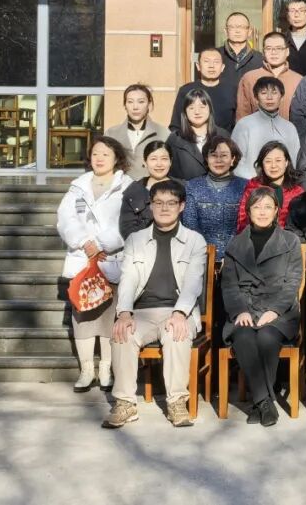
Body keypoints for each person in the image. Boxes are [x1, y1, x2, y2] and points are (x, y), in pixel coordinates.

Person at [104, 180, 208, 429]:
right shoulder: (135, 240)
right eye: (158, 202)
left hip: (178, 310)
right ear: (150, 206)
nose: (164, 208)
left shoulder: (195, 240)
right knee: (123, 332)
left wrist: (180, 313)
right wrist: (124, 313)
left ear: (181, 206)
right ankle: (125, 403)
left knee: (177, 332)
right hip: (142, 311)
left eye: (171, 203)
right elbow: (128, 278)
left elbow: (193, 283)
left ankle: (177, 402)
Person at [57, 135, 134, 392]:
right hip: (83, 259)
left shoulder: (127, 186)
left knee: (109, 316)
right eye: (95, 154)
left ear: (116, 158)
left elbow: (128, 222)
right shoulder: (77, 187)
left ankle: (106, 369)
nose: (99, 158)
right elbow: (65, 219)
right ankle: (87, 369)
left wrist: (101, 243)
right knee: (83, 316)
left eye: (105, 154)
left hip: (111, 257)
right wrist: (84, 242)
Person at [221, 187, 303, 426]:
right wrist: (240, 310)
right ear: (248, 211)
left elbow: (292, 282)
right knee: (244, 336)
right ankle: (265, 402)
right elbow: (229, 284)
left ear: (277, 210)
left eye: (268, 206)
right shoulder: (236, 243)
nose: (263, 212)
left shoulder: (290, 241)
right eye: (257, 207)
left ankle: (260, 403)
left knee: (267, 337)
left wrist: (274, 310)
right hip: (245, 308)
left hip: (280, 311)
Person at [182, 135, 248, 257]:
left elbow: (247, 224)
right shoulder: (192, 186)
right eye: (213, 155)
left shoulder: (245, 187)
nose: (218, 160)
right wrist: (207, 253)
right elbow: (189, 225)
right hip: (201, 254)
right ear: (206, 158)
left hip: (237, 255)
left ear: (233, 159)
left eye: (224, 155)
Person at [231, 76, 302, 179]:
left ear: (282, 97)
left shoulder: (289, 128)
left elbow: (295, 160)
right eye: (264, 93)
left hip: (284, 185)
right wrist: (252, 182)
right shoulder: (244, 125)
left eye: (274, 93)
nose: (269, 97)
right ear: (256, 98)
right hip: (251, 184)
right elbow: (235, 160)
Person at [235, 31, 303, 122]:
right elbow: (242, 114)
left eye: (279, 48)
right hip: (256, 130)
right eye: (269, 48)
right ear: (263, 52)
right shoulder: (249, 78)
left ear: (287, 51)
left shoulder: (299, 80)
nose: (274, 52)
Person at [236, 141, 304, 231]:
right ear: (262, 164)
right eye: (268, 161)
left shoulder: (297, 192)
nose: (273, 165)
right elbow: (242, 221)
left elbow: (302, 225)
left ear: (286, 162)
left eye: (278, 160)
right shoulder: (253, 187)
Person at [105, 83, 168, 179]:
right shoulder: (111, 134)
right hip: (120, 186)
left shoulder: (163, 133)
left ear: (149, 104)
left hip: (152, 185)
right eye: (130, 102)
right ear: (125, 105)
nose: (135, 107)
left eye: (141, 102)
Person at [167, 89, 228, 181]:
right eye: (191, 108)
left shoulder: (223, 135)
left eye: (202, 107)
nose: (197, 112)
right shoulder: (175, 139)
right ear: (185, 112)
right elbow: (171, 175)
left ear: (210, 109)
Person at [171, 47, 236, 132]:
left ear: (222, 67)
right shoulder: (186, 90)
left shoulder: (232, 91)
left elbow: (237, 124)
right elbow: (176, 125)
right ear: (198, 66)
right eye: (206, 61)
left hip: (224, 139)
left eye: (216, 62)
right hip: (191, 139)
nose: (211, 66)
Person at [119, 140, 175, 238]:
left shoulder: (184, 188)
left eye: (164, 159)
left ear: (171, 161)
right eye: (153, 159)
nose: (159, 164)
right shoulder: (133, 191)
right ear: (145, 162)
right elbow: (127, 230)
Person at [217, 11, 264, 89]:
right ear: (226, 31)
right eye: (232, 27)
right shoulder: (216, 56)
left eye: (242, 27)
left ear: (249, 31)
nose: (237, 31)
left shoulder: (260, 59)